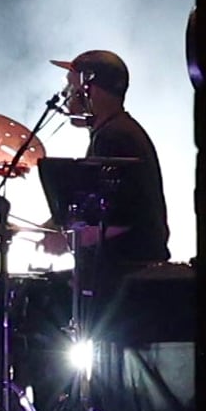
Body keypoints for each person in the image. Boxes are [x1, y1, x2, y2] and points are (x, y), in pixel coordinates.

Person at [37, 46, 173, 301]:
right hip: (122, 272)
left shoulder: (116, 137)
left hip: (128, 277)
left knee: (42, 301)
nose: (67, 95)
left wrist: (65, 240)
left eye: (70, 86)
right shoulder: (112, 132)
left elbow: (119, 218)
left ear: (89, 88)